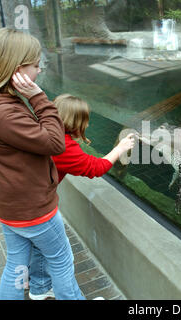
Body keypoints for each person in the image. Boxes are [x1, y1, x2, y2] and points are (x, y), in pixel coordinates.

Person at [0, 28, 85, 300]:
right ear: (18, 70)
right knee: (62, 260)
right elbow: (56, 143)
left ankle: (39, 291)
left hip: (7, 205)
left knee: (17, 265)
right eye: (36, 65)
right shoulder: (5, 113)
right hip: (31, 208)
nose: (39, 71)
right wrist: (38, 97)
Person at [27, 94, 135, 300]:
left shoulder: (42, 131)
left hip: (21, 203)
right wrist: (120, 148)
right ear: (77, 122)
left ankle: (39, 288)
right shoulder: (63, 146)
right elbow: (95, 168)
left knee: (38, 247)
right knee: (62, 257)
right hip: (37, 208)